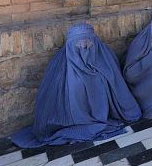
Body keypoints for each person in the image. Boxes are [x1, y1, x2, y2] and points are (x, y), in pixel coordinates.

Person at [11, 23, 141, 148]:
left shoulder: (104, 55)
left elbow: (117, 86)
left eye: (87, 41)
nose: (84, 45)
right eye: (78, 42)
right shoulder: (60, 66)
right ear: (71, 43)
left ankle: (98, 118)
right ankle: (82, 122)